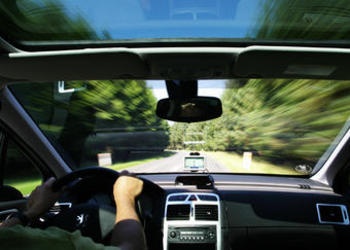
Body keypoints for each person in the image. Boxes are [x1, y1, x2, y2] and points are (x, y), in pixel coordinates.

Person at [0, 175, 147, 250]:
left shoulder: (10, 238)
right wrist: (124, 197)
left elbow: (4, 232)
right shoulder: (60, 243)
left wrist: (31, 213)